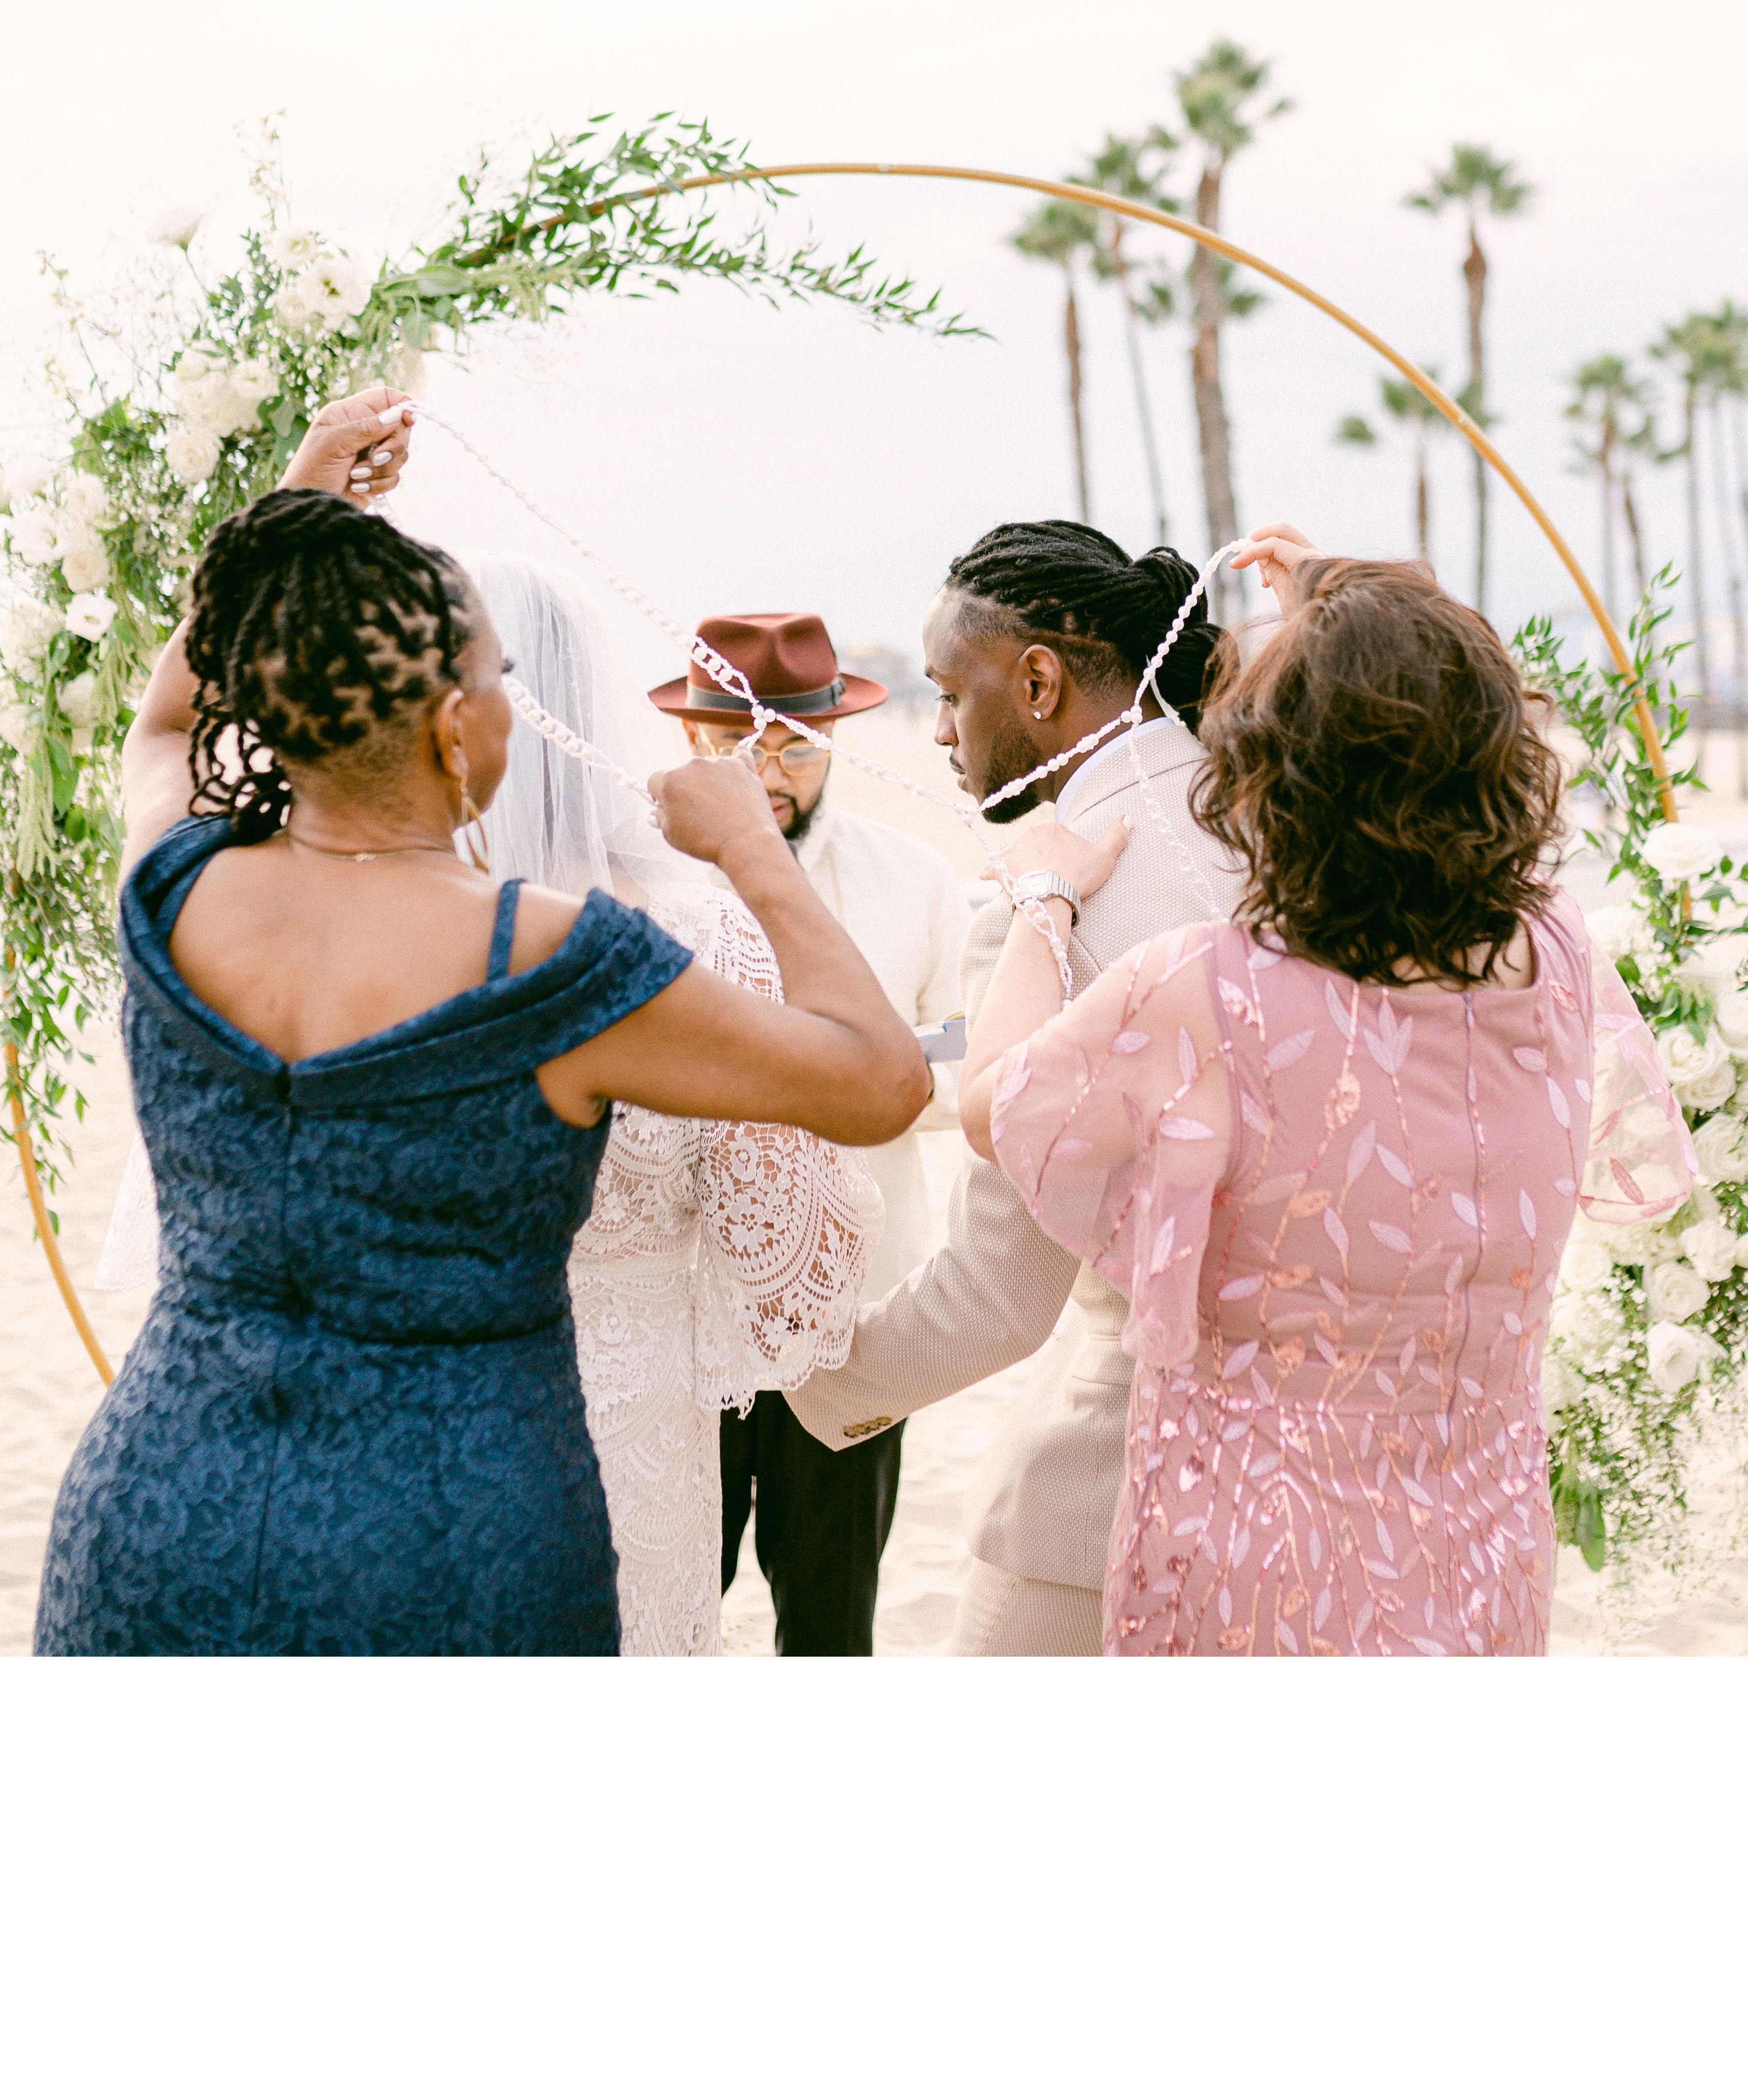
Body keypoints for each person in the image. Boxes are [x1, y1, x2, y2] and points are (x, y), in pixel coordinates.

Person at [33, 390, 928, 1656]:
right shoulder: (557, 962)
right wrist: (751, 852)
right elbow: (879, 1082)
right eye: (497, 680)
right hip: (454, 1528)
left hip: (168, 1498)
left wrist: (300, 508)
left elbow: (166, 719)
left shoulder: (179, 888)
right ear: (460, 729)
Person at [962, 531, 1695, 1655]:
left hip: (1259, 1555)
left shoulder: (1208, 986)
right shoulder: (1553, 958)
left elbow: (998, 1106)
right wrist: (1366, 606)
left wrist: (1042, 898)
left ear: (1268, 778)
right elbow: (1448, 712)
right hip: (1479, 1546)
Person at [783, 520, 1251, 1656]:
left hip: (1122, 1492)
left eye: (951, 692)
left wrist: (794, 1381)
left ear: (1037, 678)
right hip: (1326, 1507)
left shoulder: (1052, 905)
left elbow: (993, 1300)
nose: (939, 730)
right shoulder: (1271, 814)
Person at [491, 562, 886, 1659]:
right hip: (630, 1411)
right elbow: (795, 1255)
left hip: (428, 1411)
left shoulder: (365, 937)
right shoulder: (700, 936)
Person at [646, 609, 969, 1657]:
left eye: (792, 742)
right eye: (734, 741)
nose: (764, 768)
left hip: (855, 1311)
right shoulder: (636, 879)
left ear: (834, 737)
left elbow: (965, 1062)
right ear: (691, 740)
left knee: (832, 1623)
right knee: (667, 1605)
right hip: (675, 1318)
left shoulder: (915, 877)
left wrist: (880, 1069)